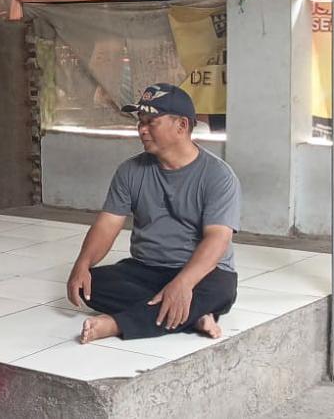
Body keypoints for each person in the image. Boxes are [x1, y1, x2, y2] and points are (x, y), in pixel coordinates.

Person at [65, 83, 241, 343]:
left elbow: (217, 239)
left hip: (201, 272)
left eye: (151, 122)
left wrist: (183, 283)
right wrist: (83, 264)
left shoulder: (218, 176)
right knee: (91, 285)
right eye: (140, 121)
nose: (142, 129)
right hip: (146, 269)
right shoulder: (130, 171)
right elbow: (107, 224)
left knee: (220, 291)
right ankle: (193, 316)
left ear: (181, 125)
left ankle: (117, 324)